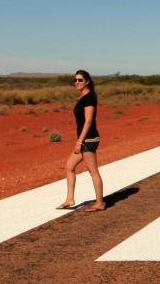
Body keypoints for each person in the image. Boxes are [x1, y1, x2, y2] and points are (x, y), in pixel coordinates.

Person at [57, 70, 106, 212]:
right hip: (84, 139)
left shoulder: (89, 98)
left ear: (87, 81)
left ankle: (99, 203)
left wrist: (79, 142)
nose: (77, 82)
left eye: (80, 80)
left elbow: (88, 121)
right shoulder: (84, 97)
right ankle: (70, 198)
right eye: (75, 80)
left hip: (89, 139)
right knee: (69, 167)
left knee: (93, 171)